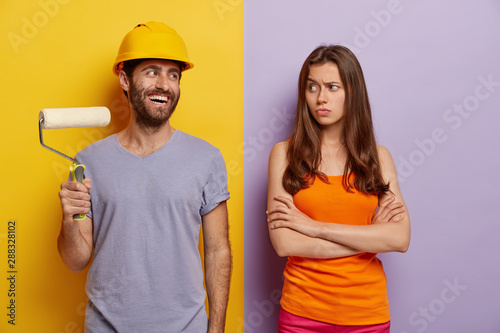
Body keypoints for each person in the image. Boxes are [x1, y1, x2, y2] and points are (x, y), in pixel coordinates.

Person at [57, 22, 231, 333]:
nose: (164, 84)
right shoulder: (85, 162)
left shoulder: (206, 158)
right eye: (152, 71)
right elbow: (75, 261)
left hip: (186, 327)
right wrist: (69, 220)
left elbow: (218, 249)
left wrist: (216, 328)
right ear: (125, 79)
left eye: (173, 74)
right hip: (106, 326)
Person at [266, 45, 411, 332]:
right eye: (312, 87)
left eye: (333, 87)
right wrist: (368, 238)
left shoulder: (378, 158)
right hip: (301, 313)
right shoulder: (284, 154)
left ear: (352, 92)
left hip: (367, 314)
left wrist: (313, 227)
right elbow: (285, 243)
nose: (321, 98)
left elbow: (399, 238)